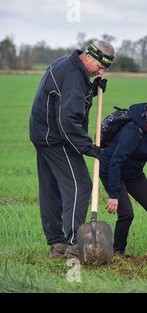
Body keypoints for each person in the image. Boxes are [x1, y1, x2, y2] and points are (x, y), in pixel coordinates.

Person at [29, 40, 114, 259]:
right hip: (58, 138)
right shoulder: (75, 78)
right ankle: (74, 243)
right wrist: (88, 147)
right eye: (101, 66)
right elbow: (68, 120)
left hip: (43, 134)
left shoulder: (67, 63)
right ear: (91, 57)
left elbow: (66, 98)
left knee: (52, 188)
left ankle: (56, 244)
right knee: (80, 184)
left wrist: (91, 90)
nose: (102, 71)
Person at [99, 102, 147, 256]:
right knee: (126, 213)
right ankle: (118, 251)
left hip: (133, 172)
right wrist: (114, 194)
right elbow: (115, 162)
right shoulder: (132, 132)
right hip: (112, 171)